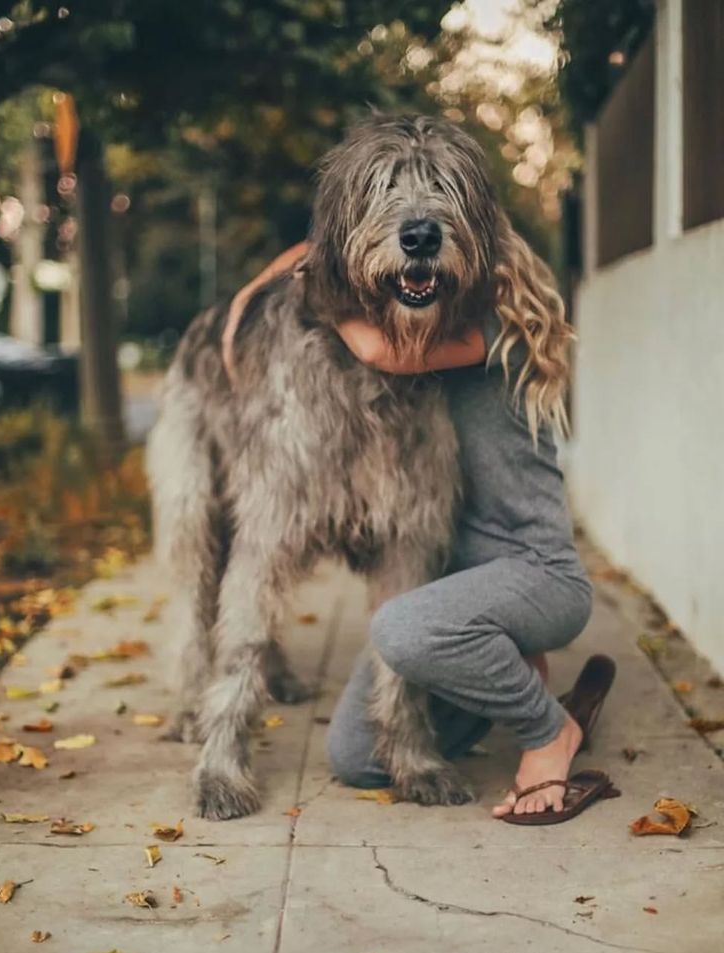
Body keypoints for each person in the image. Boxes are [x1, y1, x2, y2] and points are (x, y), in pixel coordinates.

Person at [222, 241, 615, 824]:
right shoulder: (436, 330)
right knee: (356, 757)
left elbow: (376, 348)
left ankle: (549, 729)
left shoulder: (496, 328)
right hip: (455, 591)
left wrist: (312, 287)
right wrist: (251, 296)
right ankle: (506, 668)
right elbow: (326, 239)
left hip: (535, 575)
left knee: (399, 626)